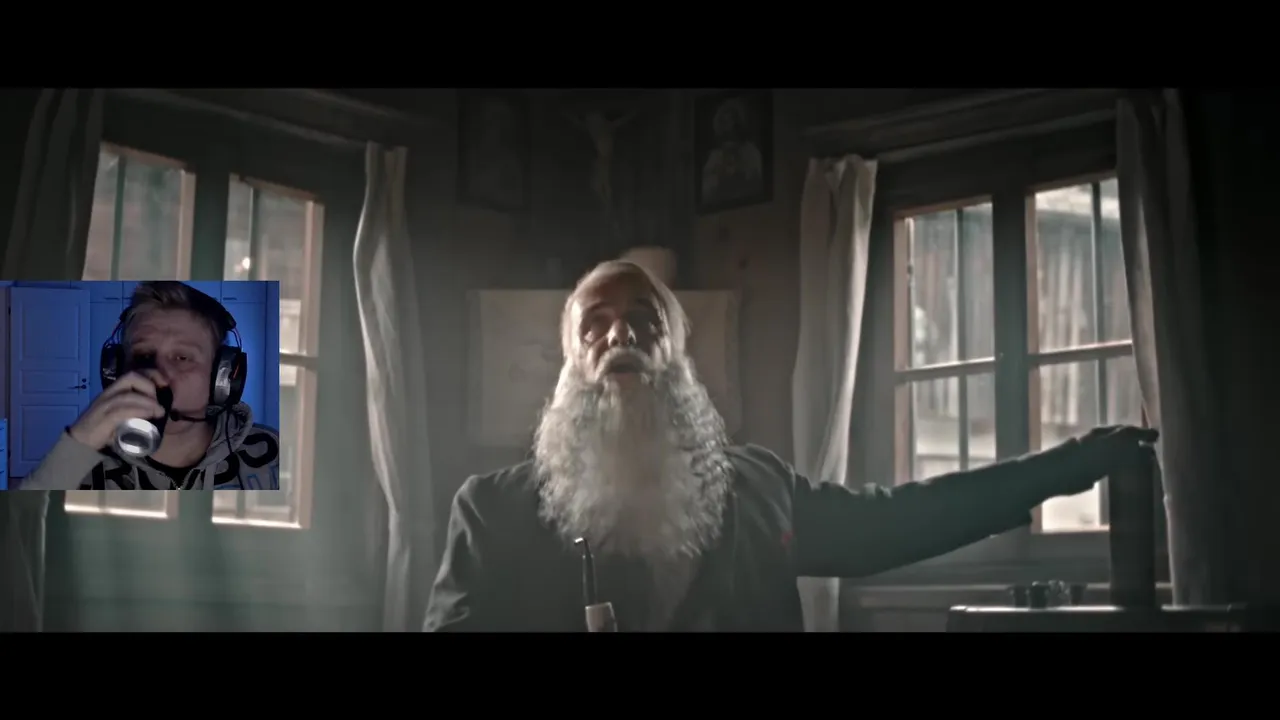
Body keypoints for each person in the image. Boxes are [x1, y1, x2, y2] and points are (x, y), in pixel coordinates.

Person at [424, 260, 1158, 632]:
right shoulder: (492, 514)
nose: (621, 333)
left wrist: (1063, 468)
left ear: (679, 357)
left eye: (647, 320)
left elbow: (900, 519)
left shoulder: (760, 486)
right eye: (595, 323)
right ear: (569, 364)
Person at [19, 281, 280, 491]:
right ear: (117, 371)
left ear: (222, 376)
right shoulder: (80, 463)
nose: (159, 375)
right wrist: (77, 445)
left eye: (182, 358)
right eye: (143, 356)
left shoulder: (271, 454)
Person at [700, 98, 764, 204]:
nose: (728, 128)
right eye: (723, 123)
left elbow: (759, 184)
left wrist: (741, 175)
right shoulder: (715, 157)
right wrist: (719, 179)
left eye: (732, 121)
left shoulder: (751, 152)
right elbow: (705, 192)